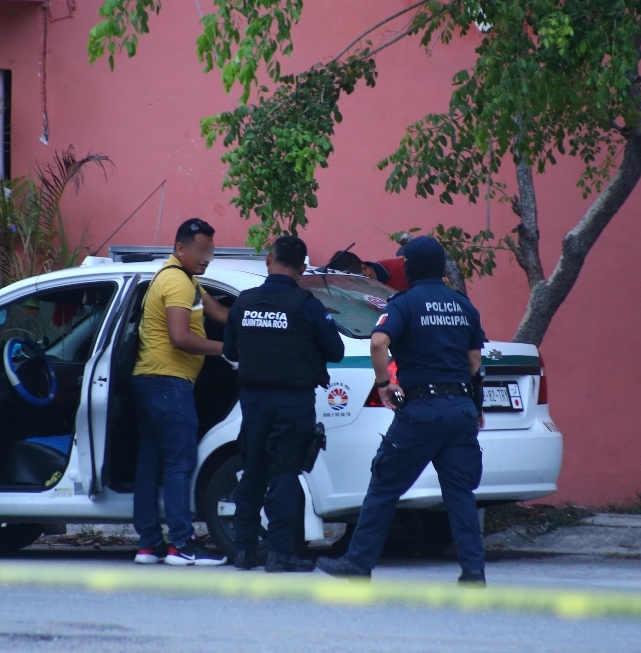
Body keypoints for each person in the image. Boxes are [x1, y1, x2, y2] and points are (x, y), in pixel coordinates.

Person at [316, 236, 488, 585]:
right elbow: (474, 362)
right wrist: (474, 404)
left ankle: (359, 563)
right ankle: (473, 572)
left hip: (422, 410)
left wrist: (383, 383)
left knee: (384, 486)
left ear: (410, 267)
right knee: (459, 493)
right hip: (460, 409)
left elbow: (378, 342)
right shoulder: (463, 305)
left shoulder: (403, 303)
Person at [223, 236, 345, 572]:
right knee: (284, 475)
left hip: (253, 401)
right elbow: (336, 350)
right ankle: (280, 554)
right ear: (303, 268)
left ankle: (244, 552)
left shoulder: (244, 303)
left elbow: (231, 351)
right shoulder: (307, 305)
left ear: (268, 259)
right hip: (292, 402)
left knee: (253, 472)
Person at [132, 218, 230, 567]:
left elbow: (218, 312)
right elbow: (180, 338)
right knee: (179, 463)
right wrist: (229, 351)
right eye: (201, 250)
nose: (207, 257)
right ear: (180, 249)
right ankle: (182, 545)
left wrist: (255, 316)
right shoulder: (176, 281)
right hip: (168, 383)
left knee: (151, 463)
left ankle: (149, 544)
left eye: (211, 251)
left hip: (150, 380)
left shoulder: (185, 279)